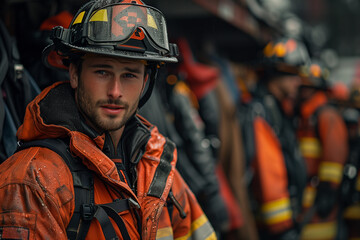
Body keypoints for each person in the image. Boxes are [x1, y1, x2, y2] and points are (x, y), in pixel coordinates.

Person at [0, 0, 216, 239]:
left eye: (129, 75)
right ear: (73, 73)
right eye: (102, 71)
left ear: (145, 83)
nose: (115, 91)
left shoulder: (157, 166)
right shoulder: (33, 180)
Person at [241, 37, 308, 240]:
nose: (299, 81)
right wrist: (283, 228)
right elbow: (267, 172)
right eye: (294, 75)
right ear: (277, 74)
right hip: (276, 228)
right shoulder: (260, 112)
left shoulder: (278, 109)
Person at [295, 61, 348, 240]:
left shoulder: (326, 116)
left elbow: (334, 160)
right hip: (305, 203)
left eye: (308, 86)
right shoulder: (303, 117)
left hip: (319, 207)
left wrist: (327, 194)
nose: (303, 91)